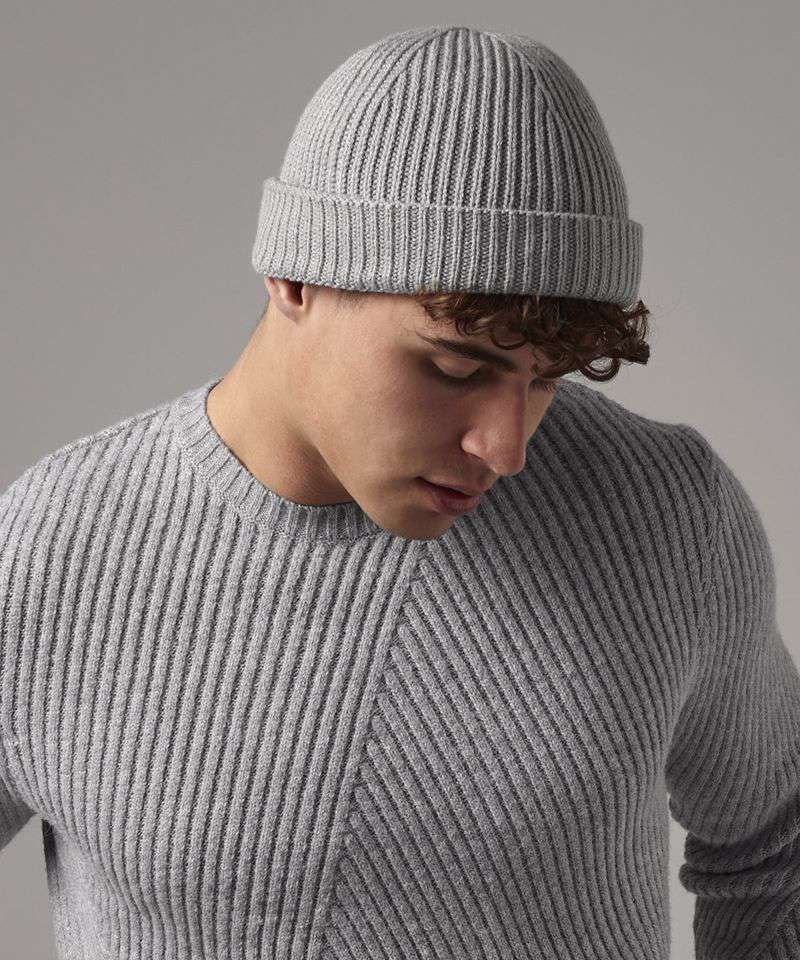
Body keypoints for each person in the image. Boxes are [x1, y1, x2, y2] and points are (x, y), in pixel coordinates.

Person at [2, 23, 798, 960]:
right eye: (456, 369)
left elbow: (776, 850)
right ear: (295, 277)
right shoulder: (53, 550)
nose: (506, 447)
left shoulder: (664, 519)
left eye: (543, 379)